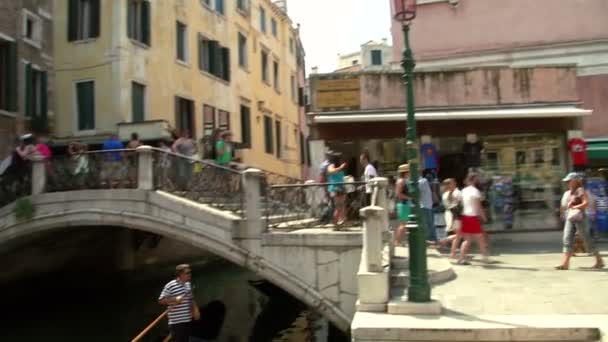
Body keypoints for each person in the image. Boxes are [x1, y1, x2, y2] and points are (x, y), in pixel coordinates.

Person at [555, 173, 604, 270]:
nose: (567, 183)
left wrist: (574, 206)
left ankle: (599, 260)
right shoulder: (569, 192)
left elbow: (586, 203)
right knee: (567, 238)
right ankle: (565, 264)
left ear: (576, 180)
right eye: (567, 181)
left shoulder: (580, 190)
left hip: (580, 217)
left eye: (569, 181)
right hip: (570, 217)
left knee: (586, 239)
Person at [159, 264, 200, 342]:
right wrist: (175, 299)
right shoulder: (170, 285)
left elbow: (190, 299)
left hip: (186, 320)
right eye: (187, 273)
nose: (190, 274)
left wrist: (195, 309)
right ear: (180, 274)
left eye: (190, 272)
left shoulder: (188, 284)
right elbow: (161, 300)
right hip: (176, 322)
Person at [456, 173, 491, 265]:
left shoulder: (463, 191)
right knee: (480, 238)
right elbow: (478, 206)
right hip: (472, 217)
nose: (478, 181)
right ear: (474, 180)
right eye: (477, 179)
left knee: (467, 240)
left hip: (465, 216)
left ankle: (461, 258)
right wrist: (484, 217)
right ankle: (485, 258)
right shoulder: (475, 191)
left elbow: (461, 204)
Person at [438, 178, 462, 258]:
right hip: (455, 215)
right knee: (459, 234)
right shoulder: (456, 193)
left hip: (451, 214)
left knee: (459, 234)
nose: (455, 183)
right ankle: (445, 242)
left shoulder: (445, 194)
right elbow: (457, 205)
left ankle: (450, 248)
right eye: (453, 183)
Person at [393, 164, 411, 246]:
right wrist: (409, 198)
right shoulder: (401, 181)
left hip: (403, 204)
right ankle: (397, 241)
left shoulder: (402, 180)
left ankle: (399, 241)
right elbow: (398, 194)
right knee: (403, 225)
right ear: (405, 172)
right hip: (403, 204)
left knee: (403, 224)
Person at [327, 152, 347, 226]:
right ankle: (335, 223)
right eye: (340, 159)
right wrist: (340, 168)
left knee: (342, 205)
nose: (341, 160)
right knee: (338, 206)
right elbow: (331, 171)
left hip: (341, 187)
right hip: (335, 188)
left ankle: (341, 220)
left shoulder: (339, 166)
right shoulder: (331, 165)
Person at [419, 171, 436, 243]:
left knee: (427, 222)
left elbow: (418, 193)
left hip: (424, 204)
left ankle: (431, 237)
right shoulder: (424, 181)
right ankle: (431, 237)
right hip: (427, 204)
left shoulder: (421, 181)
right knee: (430, 222)